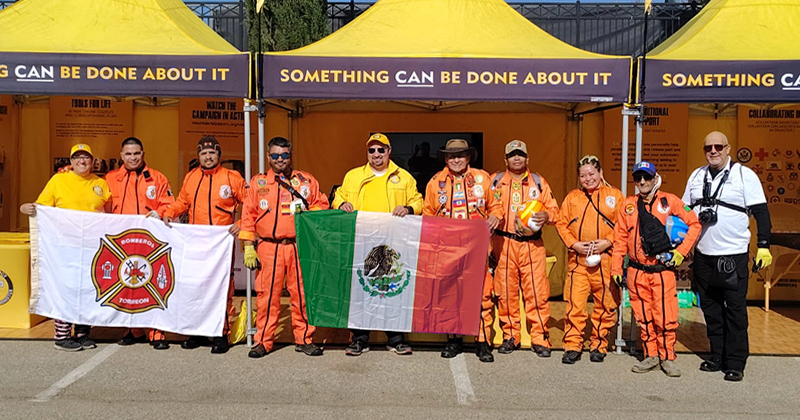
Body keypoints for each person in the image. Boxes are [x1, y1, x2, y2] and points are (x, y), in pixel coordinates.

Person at [682, 131, 772, 382]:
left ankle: (735, 361)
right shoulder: (696, 176)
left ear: (728, 148)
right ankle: (717, 355)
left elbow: (761, 213)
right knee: (710, 309)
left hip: (733, 255)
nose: (713, 151)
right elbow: (685, 209)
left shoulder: (744, 175)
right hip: (703, 255)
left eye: (718, 146)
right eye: (708, 147)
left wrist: (764, 245)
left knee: (734, 311)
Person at [331, 133, 424, 356]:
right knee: (361, 289)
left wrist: (409, 209)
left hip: (393, 243)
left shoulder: (403, 177)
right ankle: (360, 338)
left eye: (381, 150)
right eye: (372, 150)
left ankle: (396, 338)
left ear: (389, 151)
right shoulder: (353, 176)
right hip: (361, 242)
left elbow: (418, 200)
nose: (376, 154)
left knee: (392, 289)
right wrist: (341, 203)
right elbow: (337, 196)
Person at [239, 137, 329, 358]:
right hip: (269, 247)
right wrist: (248, 247)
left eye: (285, 155)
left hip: (299, 247)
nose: (280, 159)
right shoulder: (258, 184)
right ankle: (263, 341)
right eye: (276, 156)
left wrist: (308, 214)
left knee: (302, 295)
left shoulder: (306, 181)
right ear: (268, 157)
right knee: (267, 296)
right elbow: (248, 216)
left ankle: (304, 338)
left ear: (291, 156)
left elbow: (322, 204)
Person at [611, 161, 701, 377]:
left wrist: (681, 252)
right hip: (636, 271)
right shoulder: (628, 205)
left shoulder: (669, 201)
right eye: (638, 178)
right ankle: (651, 354)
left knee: (665, 315)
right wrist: (616, 268)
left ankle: (667, 356)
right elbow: (620, 239)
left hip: (661, 271)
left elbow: (695, 224)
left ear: (654, 178)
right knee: (643, 315)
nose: (642, 182)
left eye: (647, 177)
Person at [19, 143, 111, 351]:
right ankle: (61, 335)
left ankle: (82, 332)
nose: (82, 161)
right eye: (77, 158)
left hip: (91, 246)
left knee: (88, 287)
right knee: (66, 288)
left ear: (92, 161)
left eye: (86, 157)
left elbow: (110, 212)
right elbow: (41, 207)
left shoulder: (100, 183)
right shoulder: (58, 181)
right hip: (64, 245)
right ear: (70, 162)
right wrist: (26, 208)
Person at [161, 136, 246, 354]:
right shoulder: (191, 177)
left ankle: (221, 333)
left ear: (219, 155)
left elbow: (250, 202)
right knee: (197, 287)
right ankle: (197, 331)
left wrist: (241, 222)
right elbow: (181, 202)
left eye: (212, 153)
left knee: (222, 288)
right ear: (198, 156)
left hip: (221, 243)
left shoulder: (231, 177)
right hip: (196, 241)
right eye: (203, 153)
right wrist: (170, 212)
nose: (208, 157)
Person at [422, 139, 502, 363]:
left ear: (468, 157)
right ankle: (453, 339)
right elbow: (427, 214)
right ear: (446, 159)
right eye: (451, 156)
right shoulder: (435, 182)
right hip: (448, 251)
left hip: (477, 250)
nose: (456, 159)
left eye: (460, 155)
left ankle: (482, 341)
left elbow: (495, 204)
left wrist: (496, 215)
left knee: (482, 296)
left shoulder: (482, 178)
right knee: (450, 296)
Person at [489, 140, 560, 357]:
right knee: (505, 293)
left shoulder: (538, 182)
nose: (516, 158)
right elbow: (484, 206)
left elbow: (555, 212)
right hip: (504, 244)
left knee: (537, 293)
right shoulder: (496, 181)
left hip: (532, 245)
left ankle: (539, 338)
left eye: (520, 155)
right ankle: (511, 336)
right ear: (506, 159)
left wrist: (547, 215)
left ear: (527, 158)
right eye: (512, 155)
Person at [106, 137, 175, 350]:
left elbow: (170, 204)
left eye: (136, 153)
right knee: (126, 285)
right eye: (128, 154)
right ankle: (131, 329)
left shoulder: (157, 178)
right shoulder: (110, 178)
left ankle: (156, 332)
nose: (133, 157)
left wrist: (160, 212)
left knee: (152, 285)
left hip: (149, 243)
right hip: (121, 242)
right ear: (121, 156)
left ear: (143, 153)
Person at [555, 155, 624, 364]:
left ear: (601, 173)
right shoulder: (573, 197)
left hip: (605, 260)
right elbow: (561, 223)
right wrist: (573, 244)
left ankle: (599, 344)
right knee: (575, 305)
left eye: (592, 173)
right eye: (583, 175)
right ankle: (573, 345)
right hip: (579, 260)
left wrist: (608, 242)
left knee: (605, 305)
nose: (588, 178)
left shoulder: (615, 196)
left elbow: (624, 227)